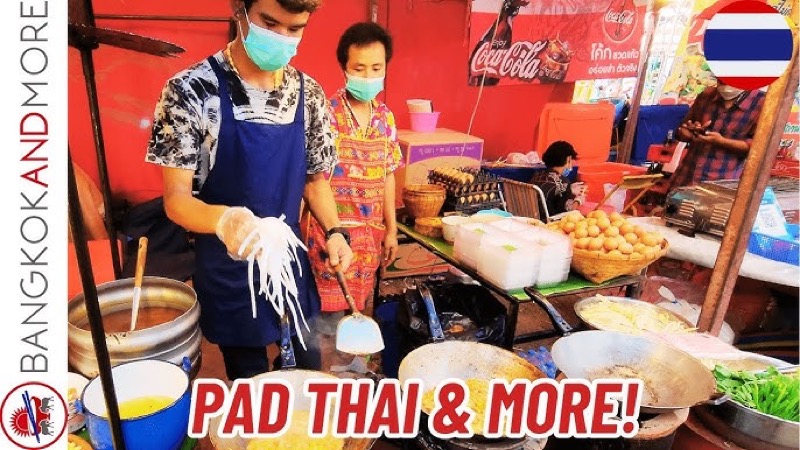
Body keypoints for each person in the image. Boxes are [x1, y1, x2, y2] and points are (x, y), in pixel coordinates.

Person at [145, 0, 353, 380]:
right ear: (238, 10)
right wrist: (226, 221)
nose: (281, 38)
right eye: (269, 23)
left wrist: (335, 231)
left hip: (289, 261)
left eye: (295, 29)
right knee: (251, 381)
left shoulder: (309, 95)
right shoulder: (191, 91)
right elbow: (176, 201)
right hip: (229, 266)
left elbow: (315, 180)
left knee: (307, 363)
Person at [303, 22, 402, 340]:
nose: (369, 75)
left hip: (370, 237)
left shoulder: (385, 117)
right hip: (330, 233)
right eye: (360, 68)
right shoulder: (326, 115)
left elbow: (388, 173)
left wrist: (392, 229)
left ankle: (350, 369)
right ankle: (324, 375)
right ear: (344, 68)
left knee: (358, 305)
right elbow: (311, 178)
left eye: (376, 67)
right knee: (326, 316)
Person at [670, 83, 766, 188]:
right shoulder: (706, 95)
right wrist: (691, 132)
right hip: (685, 178)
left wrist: (721, 142)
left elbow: (758, 149)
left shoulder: (762, 103)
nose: (723, 84)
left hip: (720, 184)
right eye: (720, 80)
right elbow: (681, 130)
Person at [530, 141, 586, 216]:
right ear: (568, 159)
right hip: (547, 222)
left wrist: (570, 189)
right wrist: (578, 200)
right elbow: (569, 211)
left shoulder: (538, 175)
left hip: (531, 217)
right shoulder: (564, 182)